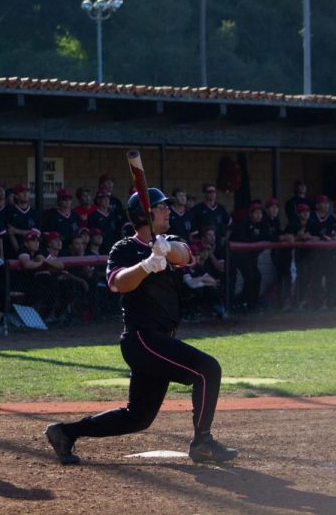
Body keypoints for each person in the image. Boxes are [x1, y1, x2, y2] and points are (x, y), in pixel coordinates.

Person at [44, 187, 238, 466]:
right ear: (144, 214)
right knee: (207, 369)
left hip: (159, 341)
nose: (167, 210)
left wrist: (165, 248)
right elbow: (117, 283)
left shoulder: (170, 241)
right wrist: (147, 264)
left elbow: (185, 255)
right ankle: (203, 442)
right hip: (142, 340)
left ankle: (65, 432)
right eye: (161, 207)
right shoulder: (124, 248)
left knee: (138, 418)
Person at [230, 201, 268, 312]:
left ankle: (251, 302)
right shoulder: (243, 222)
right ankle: (242, 303)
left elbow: (266, 236)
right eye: (256, 213)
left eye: (260, 213)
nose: (259, 215)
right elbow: (243, 240)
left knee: (257, 277)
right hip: (236, 256)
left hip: (250, 256)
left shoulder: (262, 223)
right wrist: (256, 240)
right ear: (250, 214)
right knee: (248, 278)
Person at [263, 198, 291, 310]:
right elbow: (267, 236)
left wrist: (288, 236)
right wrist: (282, 237)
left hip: (280, 252)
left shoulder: (276, 220)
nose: (275, 210)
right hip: (264, 253)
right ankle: (279, 303)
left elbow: (279, 232)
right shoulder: (264, 220)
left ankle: (283, 302)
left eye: (276, 207)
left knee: (285, 275)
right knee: (279, 277)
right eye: (272, 207)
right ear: (267, 209)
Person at [190, 183, 231, 250]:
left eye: (214, 192)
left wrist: (225, 237)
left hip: (218, 243)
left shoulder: (221, 208)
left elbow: (229, 224)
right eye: (209, 192)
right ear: (205, 193)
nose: (212, 194)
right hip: (202, 245)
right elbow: (192, 227)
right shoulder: (197, 209)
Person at [4, 183, 39, 258]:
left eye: (27, 192)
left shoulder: (35, 213)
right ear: (16, 195)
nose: (25, 194)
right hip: (13, 252)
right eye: (22, 192)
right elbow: (10, 233)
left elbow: (36, 233)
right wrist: (19, 251)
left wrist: (16, 231)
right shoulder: (9, 212)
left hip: (33, 253)